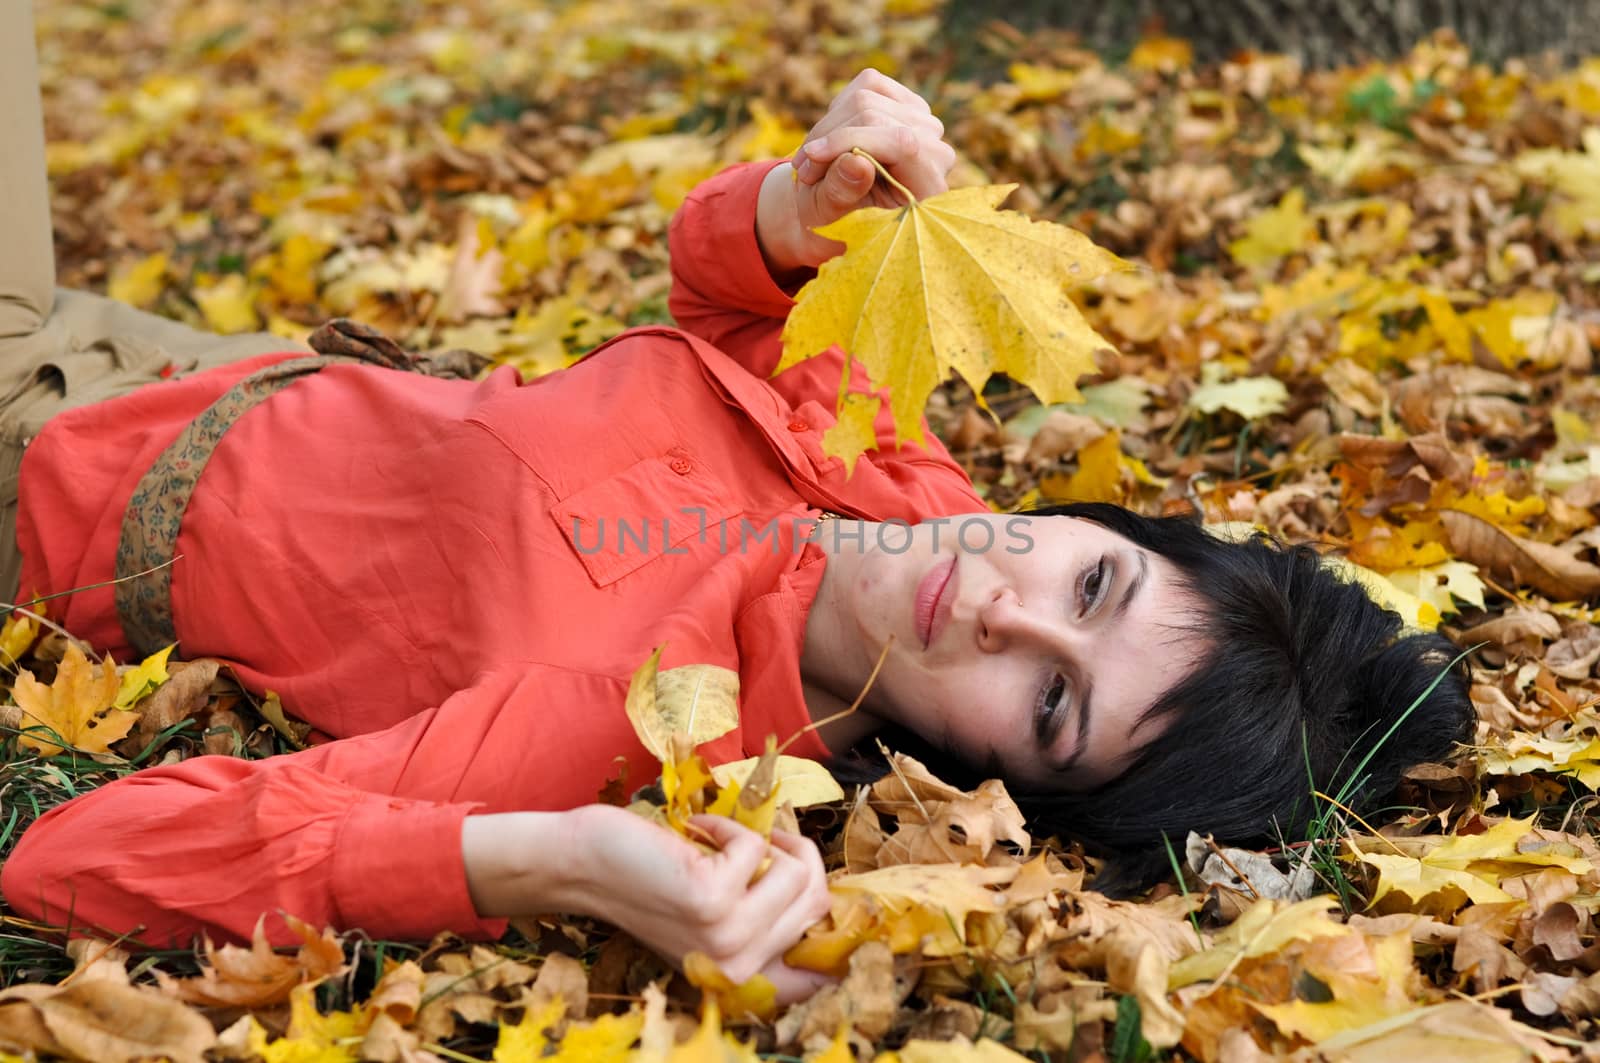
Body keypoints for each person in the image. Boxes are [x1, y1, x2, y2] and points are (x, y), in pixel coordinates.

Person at [0, 6, 1472, 1001]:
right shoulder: (906, 480)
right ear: (1110, 534)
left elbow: (68, 857)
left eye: (1045, 705)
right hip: (182, 354)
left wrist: (551, 858)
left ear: (992, 781)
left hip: (41, 471)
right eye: (1093, 588)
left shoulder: (635, 721)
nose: (1006, 608)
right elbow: (734, 307)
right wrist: (791, 209)